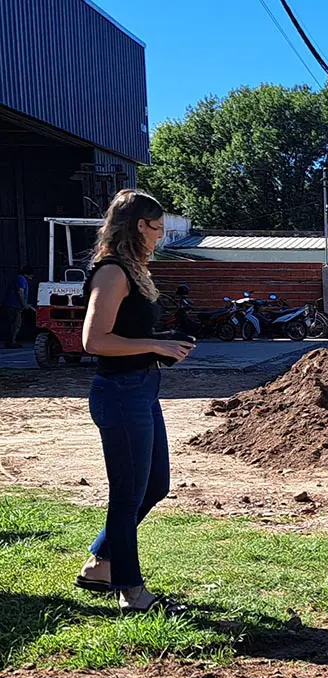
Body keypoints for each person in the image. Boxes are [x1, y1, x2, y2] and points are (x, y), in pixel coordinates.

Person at [77, 190, 194, 613]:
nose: (160, 236)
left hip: (142, 389)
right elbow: (94, 341)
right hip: (120, 393)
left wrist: (162, 343)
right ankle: (131, 591)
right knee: (127, 496)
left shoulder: (132, 269)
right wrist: (155, 345)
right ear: (138, 226)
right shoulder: (112, 272)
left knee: (155, 486)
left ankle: (100, 564)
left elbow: (127, 332)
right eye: (157, 228)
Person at [1, 265, 32, 348]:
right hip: (13, 306)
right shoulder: (21, 279)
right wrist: (24, 305)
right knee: (16, 324)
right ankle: (11, 342)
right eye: (31, 276)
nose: (31, 279)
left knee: (13, 324)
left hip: (12, 305)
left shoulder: (18, 278)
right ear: (27, 274)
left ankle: (10, 341)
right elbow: (20, 292)